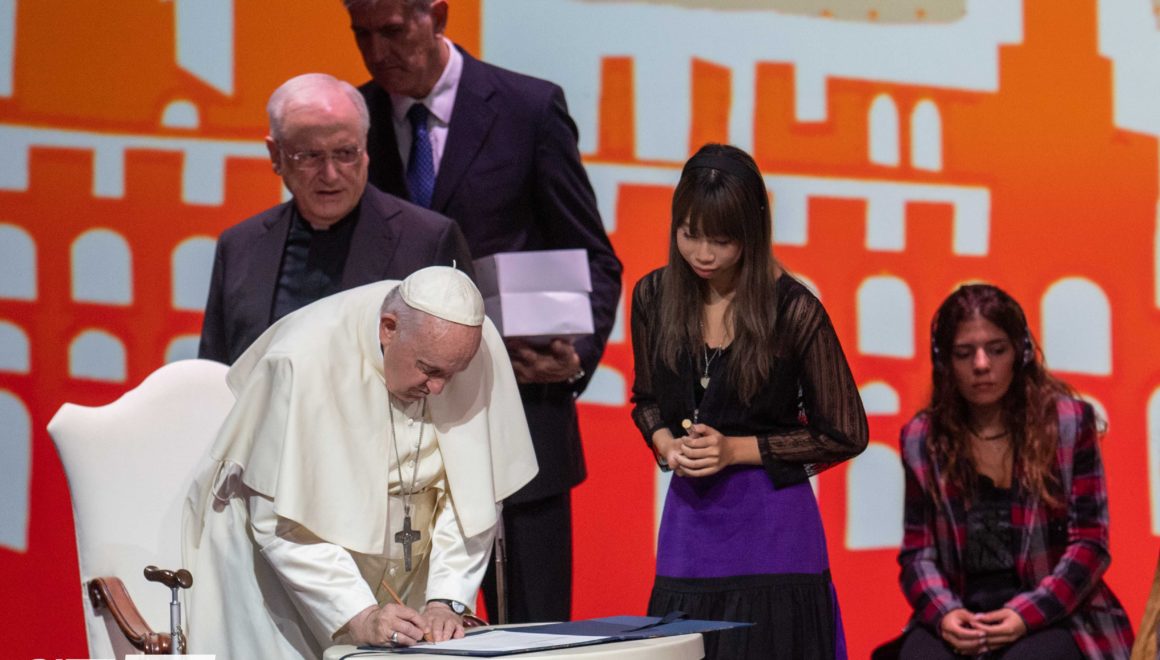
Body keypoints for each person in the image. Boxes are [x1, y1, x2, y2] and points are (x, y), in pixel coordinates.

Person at [344, 0, 623, 623]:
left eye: (392, 31)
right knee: (401, 628)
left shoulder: (528, 108)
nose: (378, 52)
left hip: (519, 412)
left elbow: (595, 259)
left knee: (533, 633)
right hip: (393, 433)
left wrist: (574, 357)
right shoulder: (355, 119)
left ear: (437, 15)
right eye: (362, 34)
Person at [183, 267, 538, 659]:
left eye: (453, 374)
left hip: (399, 582)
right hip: (279, 580)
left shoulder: (468, 347)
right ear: (388, 329)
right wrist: (358, 613)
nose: (438, 388)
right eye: (429, 370)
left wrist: (446, 599)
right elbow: (282, 523)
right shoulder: (303, 359)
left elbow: (471, 500)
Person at [629, 143, 868, 659]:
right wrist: (667, 444)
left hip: (773, 530)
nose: (703, 254)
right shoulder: (652, 296)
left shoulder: (793, 310)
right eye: (690, 234)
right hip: (690, 528)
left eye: (722, 240)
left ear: (752, 233)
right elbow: (646, 400)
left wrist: (737, 450)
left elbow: (845, 430)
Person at [897, 283, 1134, 659]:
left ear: (1020, 352)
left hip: (1058, 609)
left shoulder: (1068, 424)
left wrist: (1024, 615)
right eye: (964, 353)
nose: (981, 365)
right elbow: (917, 554)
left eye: (996, 350)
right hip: (963, 609)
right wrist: (945, 614)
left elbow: (1090, 544)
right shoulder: (922, 438)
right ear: (944, 362)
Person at [198, 72, 474, 364]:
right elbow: (215, 373)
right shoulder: (240, 245)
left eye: (345, 153)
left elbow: (459, 366)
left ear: (365, 149)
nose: (330, 175)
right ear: (276, 155)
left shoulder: (427, 242)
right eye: (309, 156)